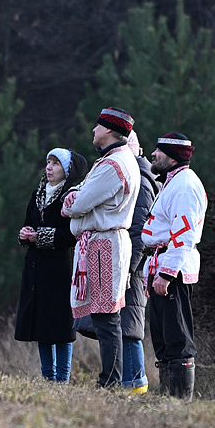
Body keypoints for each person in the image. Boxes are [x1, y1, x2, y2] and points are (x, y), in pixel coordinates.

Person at [61, 107, 141, 387]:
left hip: (104, 245)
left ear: (108, 130)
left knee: (107, 317)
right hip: (103, 243)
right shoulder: (115, 160)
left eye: (97, 126)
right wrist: (76, 196)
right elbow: (81, 194)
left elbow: (78, 203)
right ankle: (111, 379)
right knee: (105, 315)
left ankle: (110, 381)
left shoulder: (113, 165)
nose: (93, 131)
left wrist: (71, 200)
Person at [140, 131, 207, 399]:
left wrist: (166, 274)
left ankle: (179, 401)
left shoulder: (185, 185)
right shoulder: (173, 182)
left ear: (172, 156)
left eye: (159, 150)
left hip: (172, 272)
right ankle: (169, 398)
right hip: (161, 266)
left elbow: (184, 235)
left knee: (177, 338)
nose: (153, 154)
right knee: (165, 337)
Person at [15, 148, 89, 382]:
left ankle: (63, 378)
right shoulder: (37, 195)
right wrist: (24, 233)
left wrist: (42, 236)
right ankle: (48, 377)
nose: (49, 167)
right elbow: (29, 224)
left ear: (67, 170)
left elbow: (72, 235)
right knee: (41, 325)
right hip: (36, 268)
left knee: (62, 326)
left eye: (55, 163)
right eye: (48, 162)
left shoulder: (72, 196)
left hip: (61, 268)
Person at [117, 131, 158, 395]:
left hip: (133, 264)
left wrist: (129, 269)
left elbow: (139, 231)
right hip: (131, 262)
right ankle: (130, 382)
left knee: (129, 325)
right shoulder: (138, 175)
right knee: (124, 323)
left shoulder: (141, 181)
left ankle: (136, 383)